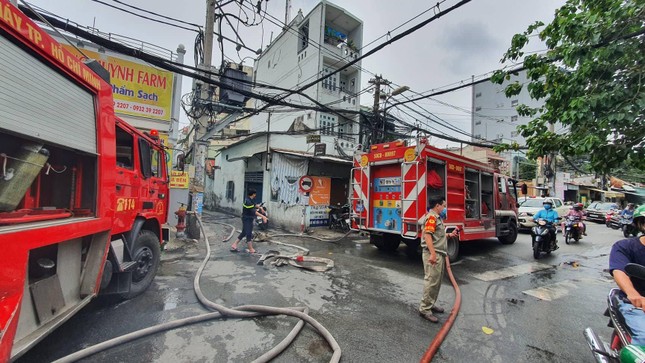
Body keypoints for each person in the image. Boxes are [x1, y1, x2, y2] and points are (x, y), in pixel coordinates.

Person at [609, 205, 645, 345]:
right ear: (641, 224)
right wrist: (633, 294)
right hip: (634, 303)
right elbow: (620, 271)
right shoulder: (624, 246)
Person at [418, 197, 458, 323]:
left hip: (439, 254)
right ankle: (425, 309)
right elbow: (428, 235)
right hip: (433, 254)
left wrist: (449, 235)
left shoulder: (436, 218)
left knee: (436, 281)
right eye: (444, 205)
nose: (445, 208)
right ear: (437, 205)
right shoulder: (432, 217)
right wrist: (433, 254)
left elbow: (436, 234)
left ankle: (430, 304)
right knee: (431, 281)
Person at [230, 189, 267, 254]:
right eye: (255, 194)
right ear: (253, 194)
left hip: (248, 218)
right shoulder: (248, 201)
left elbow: (254, 205)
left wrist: (261, 208)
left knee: (244, 232)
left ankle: (234, 245)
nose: (255, 195)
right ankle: (251, 249)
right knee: (248, 233)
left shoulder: (249, 199)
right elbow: (254, 211)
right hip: (247, 219)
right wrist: (263, 217)